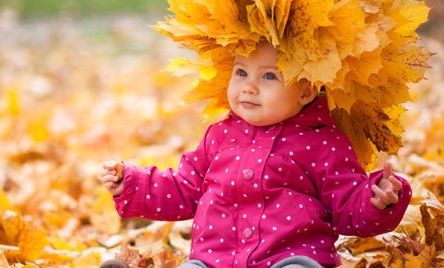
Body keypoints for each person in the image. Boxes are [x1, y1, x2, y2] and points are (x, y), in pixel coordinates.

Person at [99, 41, 412, 268]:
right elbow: (184, 188)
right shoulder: (219, 136)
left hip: (290, 259)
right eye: (241, 72)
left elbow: (346, 207)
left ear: (305, 90)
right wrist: (133, 183)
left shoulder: (323, 142)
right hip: (215, 261)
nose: (248, 87)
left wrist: (376, 200)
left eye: (269, 76)